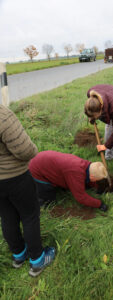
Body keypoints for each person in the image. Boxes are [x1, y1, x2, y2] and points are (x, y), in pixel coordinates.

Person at [0, 105, 55, 277]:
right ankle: (37, 260)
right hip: (15, 176)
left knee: (6, 216)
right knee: (29, 215)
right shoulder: (2, 115)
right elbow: (24, 149)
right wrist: (33, 151)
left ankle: (18, 255)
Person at [29, 150, 108, 211]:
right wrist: (99, 204)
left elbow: (88, 178)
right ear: (92, 176)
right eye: (96, 180)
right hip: (37, 171)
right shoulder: (75, 172)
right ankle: (36, 202)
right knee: (49, 202)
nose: (95, 181)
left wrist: (96, 187)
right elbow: (81, 197)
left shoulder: (87, 165)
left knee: (69, 184)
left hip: (45, 160)